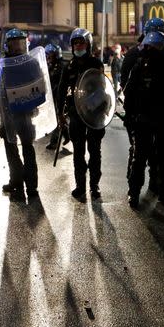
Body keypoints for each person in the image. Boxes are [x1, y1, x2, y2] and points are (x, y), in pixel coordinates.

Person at [125, 31, 164, 209]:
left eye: (155, 47)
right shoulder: (141, 65)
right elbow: (130, 92)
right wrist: (130, 116)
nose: (153, 51)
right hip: (144, 120)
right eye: (151, 47)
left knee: (163, 159)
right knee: (141, 158)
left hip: (163, 120)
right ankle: (134, 193)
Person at [57, 28, 106, 200]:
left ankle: (94, 185)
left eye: (81, 43)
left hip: (94, 114)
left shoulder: (95, 64)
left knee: (94, 151)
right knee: (78, 152)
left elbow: (103, 89)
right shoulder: (68, 66)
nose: (78, 46)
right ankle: (80, 186)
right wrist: (60, 113)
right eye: (75, 43)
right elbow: (62, 90)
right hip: (76, 114)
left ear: (89, 44)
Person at [0, 28, 39, 201]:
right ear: (8, 46)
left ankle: (31, 186)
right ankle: (16, 181)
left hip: (26, 114)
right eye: (13, 44)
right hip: (9, 115)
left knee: (28, 149)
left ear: (26, 44)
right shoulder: (4, 65)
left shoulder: (31, 63)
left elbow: (39, 87)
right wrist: (1, 120)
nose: (17, 47)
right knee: (11, 150)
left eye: (20, 43)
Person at [45, 43, 69, 150]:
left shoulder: (62, 66)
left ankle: (54, 142)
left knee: (57, 118)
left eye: (50, 55)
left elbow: (62, 84)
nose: (48, 57)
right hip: (52, 96)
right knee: (59, 118)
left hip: (60, 97)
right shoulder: (50, 66)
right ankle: (67, 135)